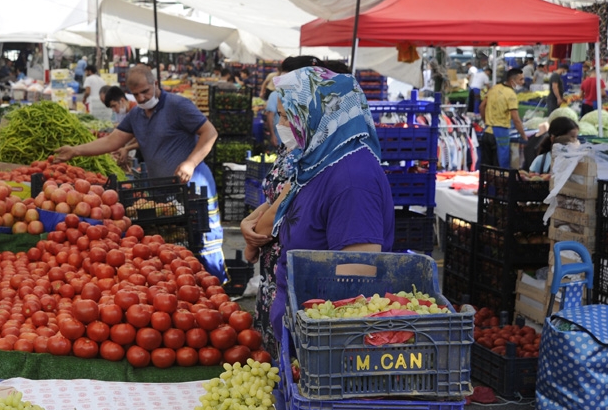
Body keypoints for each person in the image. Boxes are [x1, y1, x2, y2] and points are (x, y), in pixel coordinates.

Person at [243, 65, 394, 346]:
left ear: (318, 116)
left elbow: (356, 282)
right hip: (300, 330)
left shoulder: (353, 181)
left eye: (290, 117)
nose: (283, 126)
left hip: (325, 344)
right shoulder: (318, 160)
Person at [54, 64, 227, 281]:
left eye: (145, 91)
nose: (142, 98)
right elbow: (111, 141)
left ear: (155, 84)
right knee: (178, 243)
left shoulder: (177, 105)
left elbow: (210, 132)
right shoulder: (136, 115)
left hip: (195, 185)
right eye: (136, 94)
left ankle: (219, 286)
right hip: (164, 189)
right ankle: (194, 288)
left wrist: (190, 163)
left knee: (205, 239)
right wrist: (75, 151)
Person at [480, 67, 529, 169]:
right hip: (500, 134)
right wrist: (524, 136)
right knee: (500, 168)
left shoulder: (494, 88)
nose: (523, 82)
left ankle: (486, 185)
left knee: (486, 167)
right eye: (521, 79)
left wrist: (486, 122)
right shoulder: (511, 95)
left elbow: (481, 107)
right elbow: (516, 119)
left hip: (487, 132)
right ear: (512, 81)